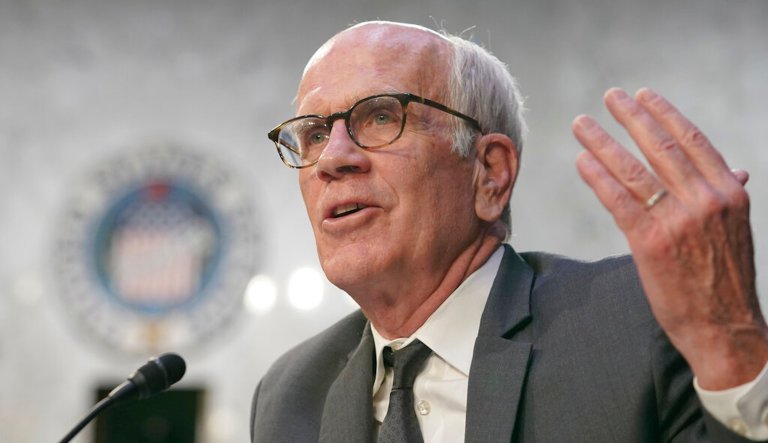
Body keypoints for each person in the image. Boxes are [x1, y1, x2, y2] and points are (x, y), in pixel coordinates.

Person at [251, 21, 768, 442]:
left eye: (380, 117)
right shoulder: (291, 394)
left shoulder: (635, 321)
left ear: (490, 174)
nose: (331, 160)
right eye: (314, 135)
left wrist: (733, 350)